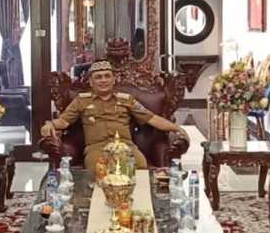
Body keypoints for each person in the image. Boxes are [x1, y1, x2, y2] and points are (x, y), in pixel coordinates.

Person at [40, 60, 188, 170]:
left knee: (140, 165)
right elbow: (64, 122)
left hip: (126, 147)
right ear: (91, 82)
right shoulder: (81, 100)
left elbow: (152, 118)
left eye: (107, 76)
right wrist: (50, 124)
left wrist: (176, 128)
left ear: (113, 80)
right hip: (97, 149)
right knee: (99, 169)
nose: (103, 80)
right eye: (98, 77)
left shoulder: (126, 99)